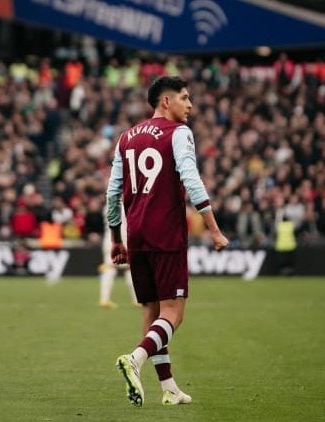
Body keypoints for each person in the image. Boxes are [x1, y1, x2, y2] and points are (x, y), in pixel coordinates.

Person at [105, 76, 228, 407]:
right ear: (165, 102)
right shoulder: (179, 133)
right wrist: (214, 229)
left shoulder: (126, 138)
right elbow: (191, 178)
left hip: (137, 235)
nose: (190, 105)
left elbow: (112, 193)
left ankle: (169, 387)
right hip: (165, 233)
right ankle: (134, 359)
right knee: (174, 313)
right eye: (185, 98)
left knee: (152, 311)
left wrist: (117, 238)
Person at [99, 206, 138, 308]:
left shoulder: (109, 203)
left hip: (110, 238)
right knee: (129, 269)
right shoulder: (126, 204)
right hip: (122, 238)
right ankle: (137, 299)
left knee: (110, 268)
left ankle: (104, 299)